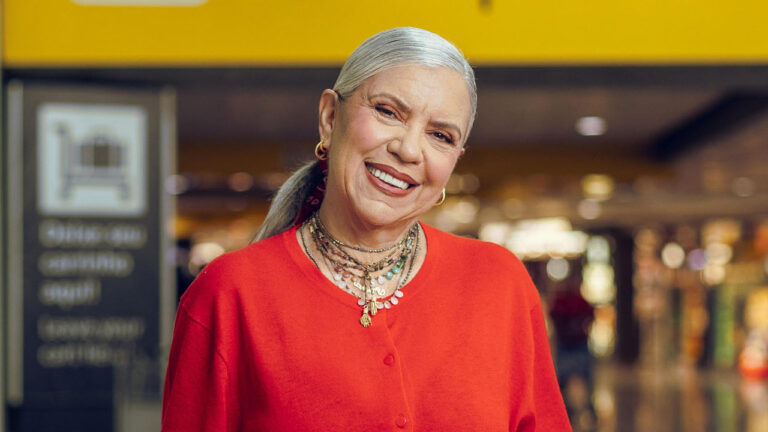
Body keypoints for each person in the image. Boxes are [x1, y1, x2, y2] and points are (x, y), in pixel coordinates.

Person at [161, 27, 571, 431]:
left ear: (454, 160)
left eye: (440, 136)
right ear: (330, 117)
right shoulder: (231, 294)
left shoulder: (499, 284)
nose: (409, 150)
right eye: (388, 112)